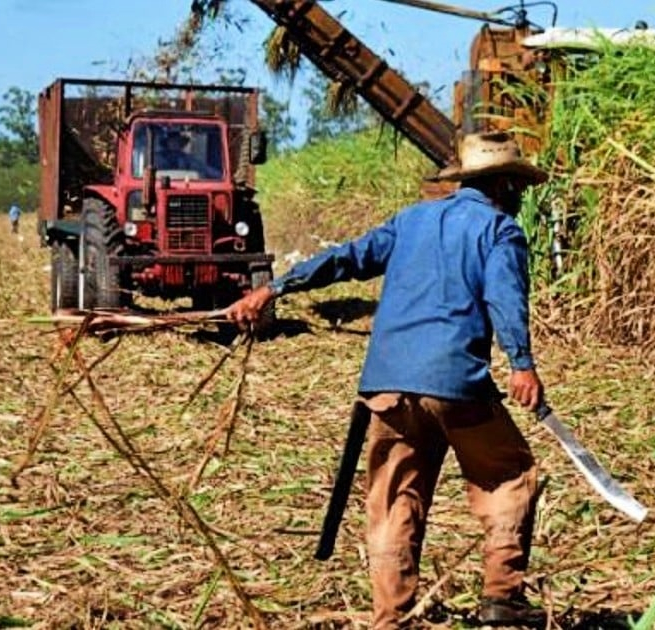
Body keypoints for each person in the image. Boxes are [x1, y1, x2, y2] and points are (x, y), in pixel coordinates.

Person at [227, 132, 550, 628]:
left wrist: (273, 288)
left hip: (388, 388)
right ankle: (503, 597)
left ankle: (390, 619)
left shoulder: (411, 221)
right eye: (518, 186)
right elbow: (505, 298)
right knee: (507, 473)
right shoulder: (500, 230)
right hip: (456, 383)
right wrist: (521, 363)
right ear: (503, 183)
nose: (521, 196)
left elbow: (344, 258)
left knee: (394, 500)